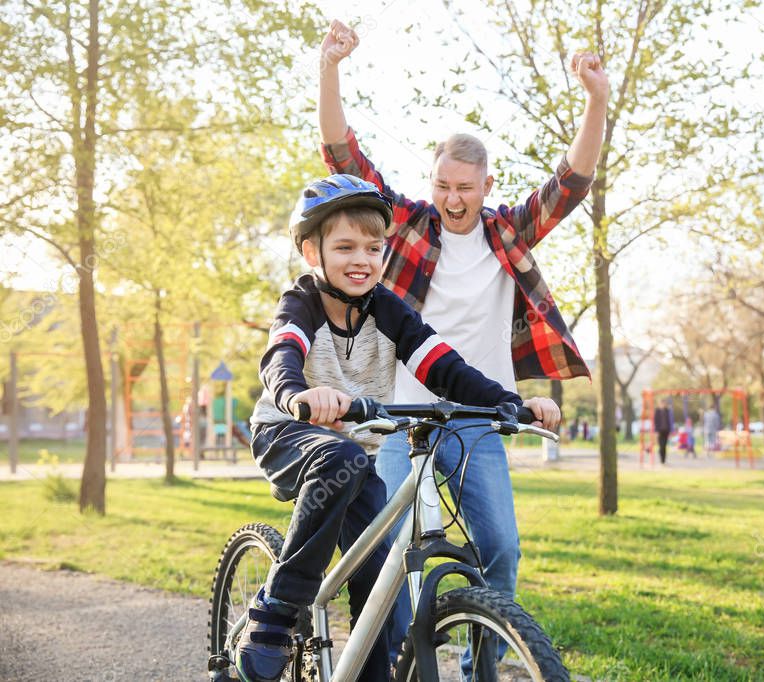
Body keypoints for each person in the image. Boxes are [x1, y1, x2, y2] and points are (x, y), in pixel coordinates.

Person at [316, 19, 609, 665]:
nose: (452, 199)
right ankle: (389, 659)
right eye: (444, 185)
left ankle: (480, 664)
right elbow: (344, 158)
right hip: (396, 413)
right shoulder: (408, 227)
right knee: (391, 544)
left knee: (499, 547)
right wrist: (330, 67)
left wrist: (595, 100)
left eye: (465, 188)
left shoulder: (509, 233)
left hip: (476, 417)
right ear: (435, 181)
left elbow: (572, 182)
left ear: (485, 187)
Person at [242, 175, 559, 682]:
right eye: (344, 247)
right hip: (288, 434)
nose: (362, 259)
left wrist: (511, 404)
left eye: (373, 247)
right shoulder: (300, 302)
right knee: (339, 457)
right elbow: (283, 355)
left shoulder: (388, 309)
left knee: (378, 582)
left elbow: (445, 368)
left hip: (353, 454)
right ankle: (276, 610)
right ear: (310, 251)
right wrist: (298, 394)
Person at [653, 398, 674, 465]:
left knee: (664, 446)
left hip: (666, 431)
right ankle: (661, 458)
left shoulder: (668, 411)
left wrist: (671, 430)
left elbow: (670, 421)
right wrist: (656, 431)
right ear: (660, 404)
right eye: (662, 403)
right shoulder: (657, 411)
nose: (663, 404)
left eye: (664, 403)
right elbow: (655, 421)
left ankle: (663, 461)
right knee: (661, 446)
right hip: (660, 431)